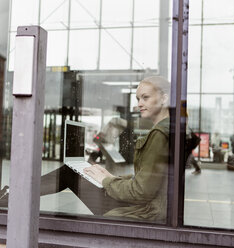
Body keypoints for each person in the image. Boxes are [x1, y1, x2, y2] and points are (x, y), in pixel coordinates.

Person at [40, 76, 170, 222]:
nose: (139, 104)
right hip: (148, 207)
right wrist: (112, 178)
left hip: (143, 212)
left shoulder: (159, 135)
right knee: (74, 172)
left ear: (164, 98)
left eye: (145, 98)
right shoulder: (169, 128)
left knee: (70, 173)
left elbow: (140, 192)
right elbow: (150, 182)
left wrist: (106, 181)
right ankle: (15, 195)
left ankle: (16, 196)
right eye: (138, 99)